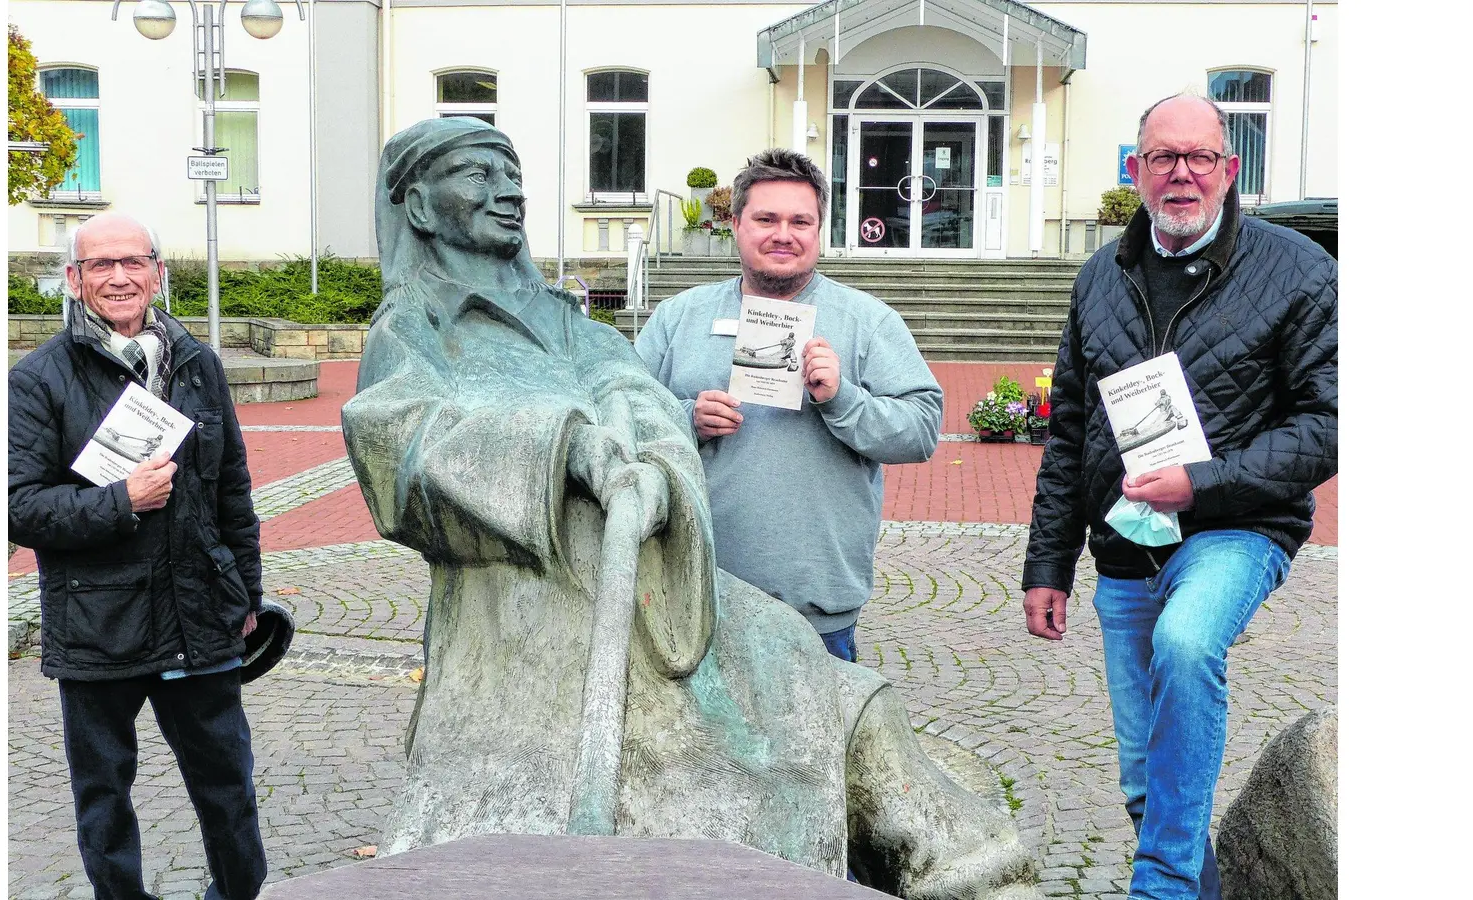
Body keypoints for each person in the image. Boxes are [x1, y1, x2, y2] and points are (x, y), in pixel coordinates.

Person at [341, 117, 1040, 898]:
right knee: (786, 703)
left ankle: (954, 866)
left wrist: (654, 432)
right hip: (534, 617)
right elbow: (397, 441)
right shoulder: (412, 330)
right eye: (479, 173)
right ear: (422, 208)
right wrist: (567, 443)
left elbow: (628, 389)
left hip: (680, 595)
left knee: (821, 691)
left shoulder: (569, 320)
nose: (510, 190)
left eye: (513, 171)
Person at [1021, 94, 1338, 900]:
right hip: (1126, 543)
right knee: (1143, 780)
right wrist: (1047, 564)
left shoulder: (1298, 270)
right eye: (1164, 158)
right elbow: (1070, 431)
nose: (1183, 174)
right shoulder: (1100, 275)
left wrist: (1202, 482)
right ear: (1136, 172)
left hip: (1237, 529)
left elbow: (1329, 422)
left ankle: (1159, 888)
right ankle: (1195, 882)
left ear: (1231, 171)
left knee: (1190, 643)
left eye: (1200, 158)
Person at [9, 213, 267, 900]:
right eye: (100, 266)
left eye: (132, 262)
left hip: (199, 617)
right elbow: (19, 506)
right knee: (105, 799)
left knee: (229, 788)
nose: (119, 277)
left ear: (157, 271)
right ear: (74, 279)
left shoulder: (197, 363)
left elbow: (233, 491)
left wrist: (244, 592)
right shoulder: (39, 379)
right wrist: (121, 499)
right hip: (99, 625)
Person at [635, 148, 944, 663]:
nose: (784, 234)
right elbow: (619, 416)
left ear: (820, 228)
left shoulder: (868, 322)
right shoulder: (678, 318)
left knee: (818, 744)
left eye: (801, 221)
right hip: (691, 595)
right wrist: (685, 419)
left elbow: (921, 431)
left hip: (816, 610)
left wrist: (841, 400)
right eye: (766, 219)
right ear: (735, 224)